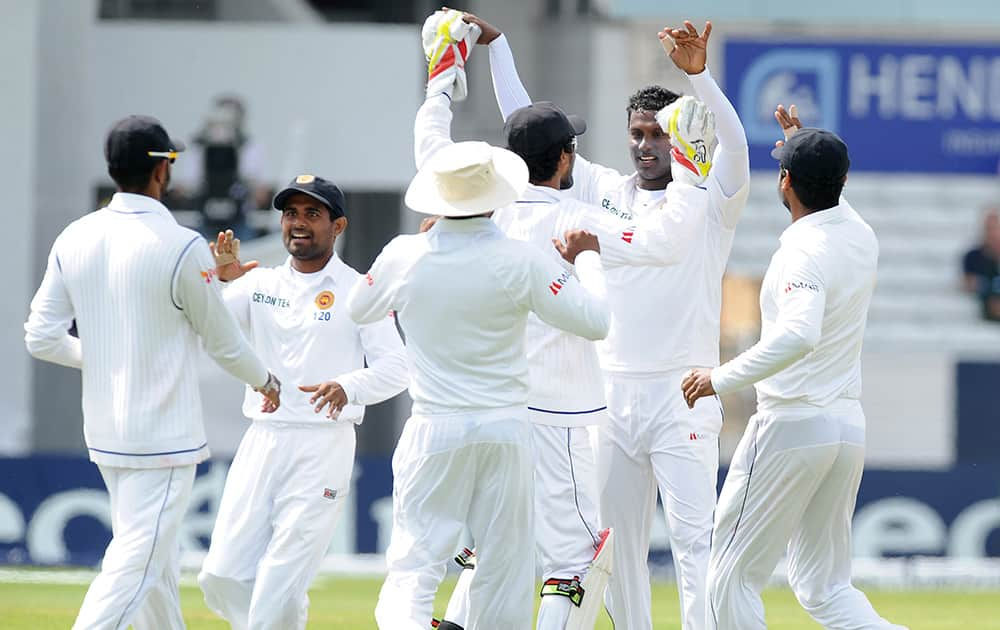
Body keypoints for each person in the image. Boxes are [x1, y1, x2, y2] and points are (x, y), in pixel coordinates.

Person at [424, 10, 714, 630]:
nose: (642, 146)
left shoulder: (483, 218)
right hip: (563, 414)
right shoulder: (582, 215)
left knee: (495, 540)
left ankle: (451, 623)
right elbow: (666, 240)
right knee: (579, 560)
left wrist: (493, 52)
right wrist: (693, 163)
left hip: (496, 405)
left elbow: (524, 125)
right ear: (566, 159)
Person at [485, 16, 750, 630]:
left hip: (683, 390)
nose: (645, 145)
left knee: (693, 545)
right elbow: (530, 133)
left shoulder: (710, 197)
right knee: (617, 548)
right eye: (636, 133)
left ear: (680, 139)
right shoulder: (600, 190)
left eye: (659, 133)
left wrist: (700, 79)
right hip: (608, 393)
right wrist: (499, 50)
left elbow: (734, 146)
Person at [24, 115, 281, 630]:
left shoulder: (75, 236)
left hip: (106, 431)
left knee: (155, 567)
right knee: (136, 565)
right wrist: (266, 380)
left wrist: (106, 361)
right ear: (161, 171)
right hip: (163, 439)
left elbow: (42, 336)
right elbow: (223, 340)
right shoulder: (181, 245)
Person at [349, 135, 611, 629]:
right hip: (506, 431)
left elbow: (358, 309)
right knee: (502, 569)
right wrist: (588, 259)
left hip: (434, 427)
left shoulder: (406, 253)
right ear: (495, 198)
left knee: (414, 564)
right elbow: (596, 322)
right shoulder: (519, 259)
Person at [681, 107, 907, 630]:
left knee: (728, 580)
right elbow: (827, 191)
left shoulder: (802, 252)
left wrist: (718, 377)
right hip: (845, 428)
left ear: (785, 182)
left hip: (790, 425)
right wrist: (799, 143)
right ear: (842, 181)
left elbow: (799, 334)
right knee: (825, 587)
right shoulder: (859, 233)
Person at [197, 175, 408, 629]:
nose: (298, 223)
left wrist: (348, 385)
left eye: (313, 214)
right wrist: (219, 280)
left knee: (280, 579)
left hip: (322, 444)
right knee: (221, 575)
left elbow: (398, 368)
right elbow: (208, 331)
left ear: (339, 226)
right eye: (291, 213)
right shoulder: (259, 284)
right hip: (263, 440)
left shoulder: (359, 291)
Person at [961, 208, 1000, 321]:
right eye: (989, 229)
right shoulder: (973, 256)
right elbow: (968, 284)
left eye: (996, 228)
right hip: (985, 310)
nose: (993, 233)